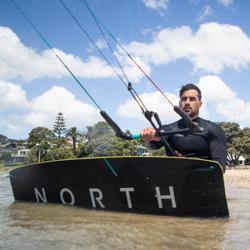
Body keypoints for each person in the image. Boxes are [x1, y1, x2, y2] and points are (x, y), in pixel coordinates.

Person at [140, 83, 227, 172]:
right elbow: (154, 144)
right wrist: (150, 136)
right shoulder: (168, 129)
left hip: (204, 182)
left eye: (192, 99)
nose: (187, 102)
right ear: (180, 103)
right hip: (175, 182)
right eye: (184, 99)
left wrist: (189, 170)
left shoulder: (213, 129)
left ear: (200, 104)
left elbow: (219, 166)